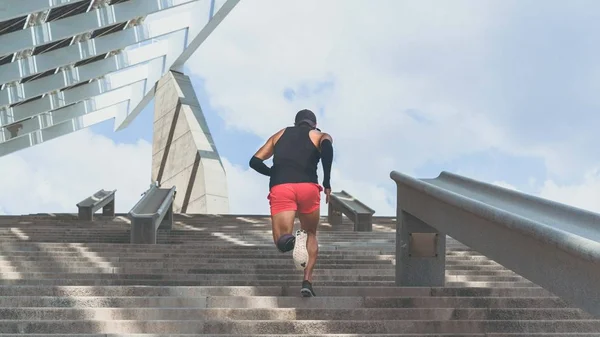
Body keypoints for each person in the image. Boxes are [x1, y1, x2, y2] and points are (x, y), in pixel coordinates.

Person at [249, 109, 333, 297]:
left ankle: (293, 242)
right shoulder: (320, 135)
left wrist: (274, 173)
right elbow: (327, 149)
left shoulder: (279, 135)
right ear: (314, 123)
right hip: (308, 188)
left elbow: (255, 161)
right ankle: (307, 281)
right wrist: (327, 182)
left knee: (281, 242)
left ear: (296, 123)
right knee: (311, 232)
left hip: (281, 188)